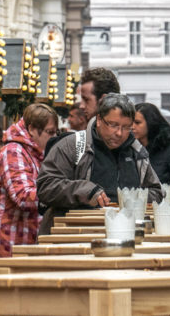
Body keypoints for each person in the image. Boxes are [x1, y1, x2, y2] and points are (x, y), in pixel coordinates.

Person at [37, 93, 163, 234]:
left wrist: (135, 198)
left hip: (123, 234)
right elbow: (46, 186)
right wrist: (85, 190)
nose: (119, 133)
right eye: (113, 125)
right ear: (99, 120)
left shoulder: (137, 151)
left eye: (126, 127)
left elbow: (157, 192)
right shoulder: (73, 145)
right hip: (75, 235)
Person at [0, 104, 58, 264]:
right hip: (4, 251)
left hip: (21, 248)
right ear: (33, 129)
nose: (54, 137)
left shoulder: (34, 152)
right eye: (50, 132)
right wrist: (60, 194)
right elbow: (23, 197)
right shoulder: (13, 151)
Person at [133, 103, 170, 184]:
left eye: (137, 123)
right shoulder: (129, 149)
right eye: (130, 122)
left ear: (150, 123)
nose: (132, 127)